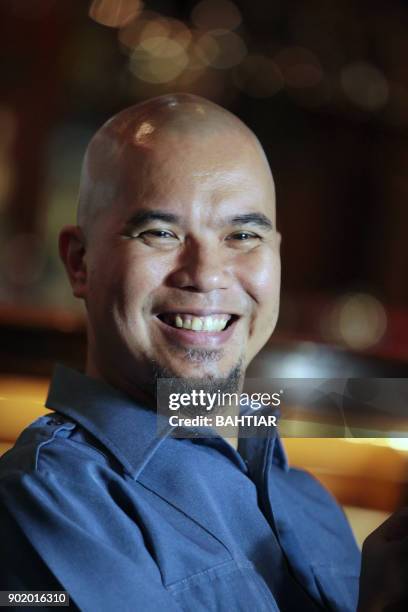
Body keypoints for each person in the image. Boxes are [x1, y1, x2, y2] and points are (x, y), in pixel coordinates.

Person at [0, 93, 382, 611]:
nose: (206, 273)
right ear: (79, 263)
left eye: (243, 235)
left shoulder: (308, 499)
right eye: (160, 233)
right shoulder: (46, 502)